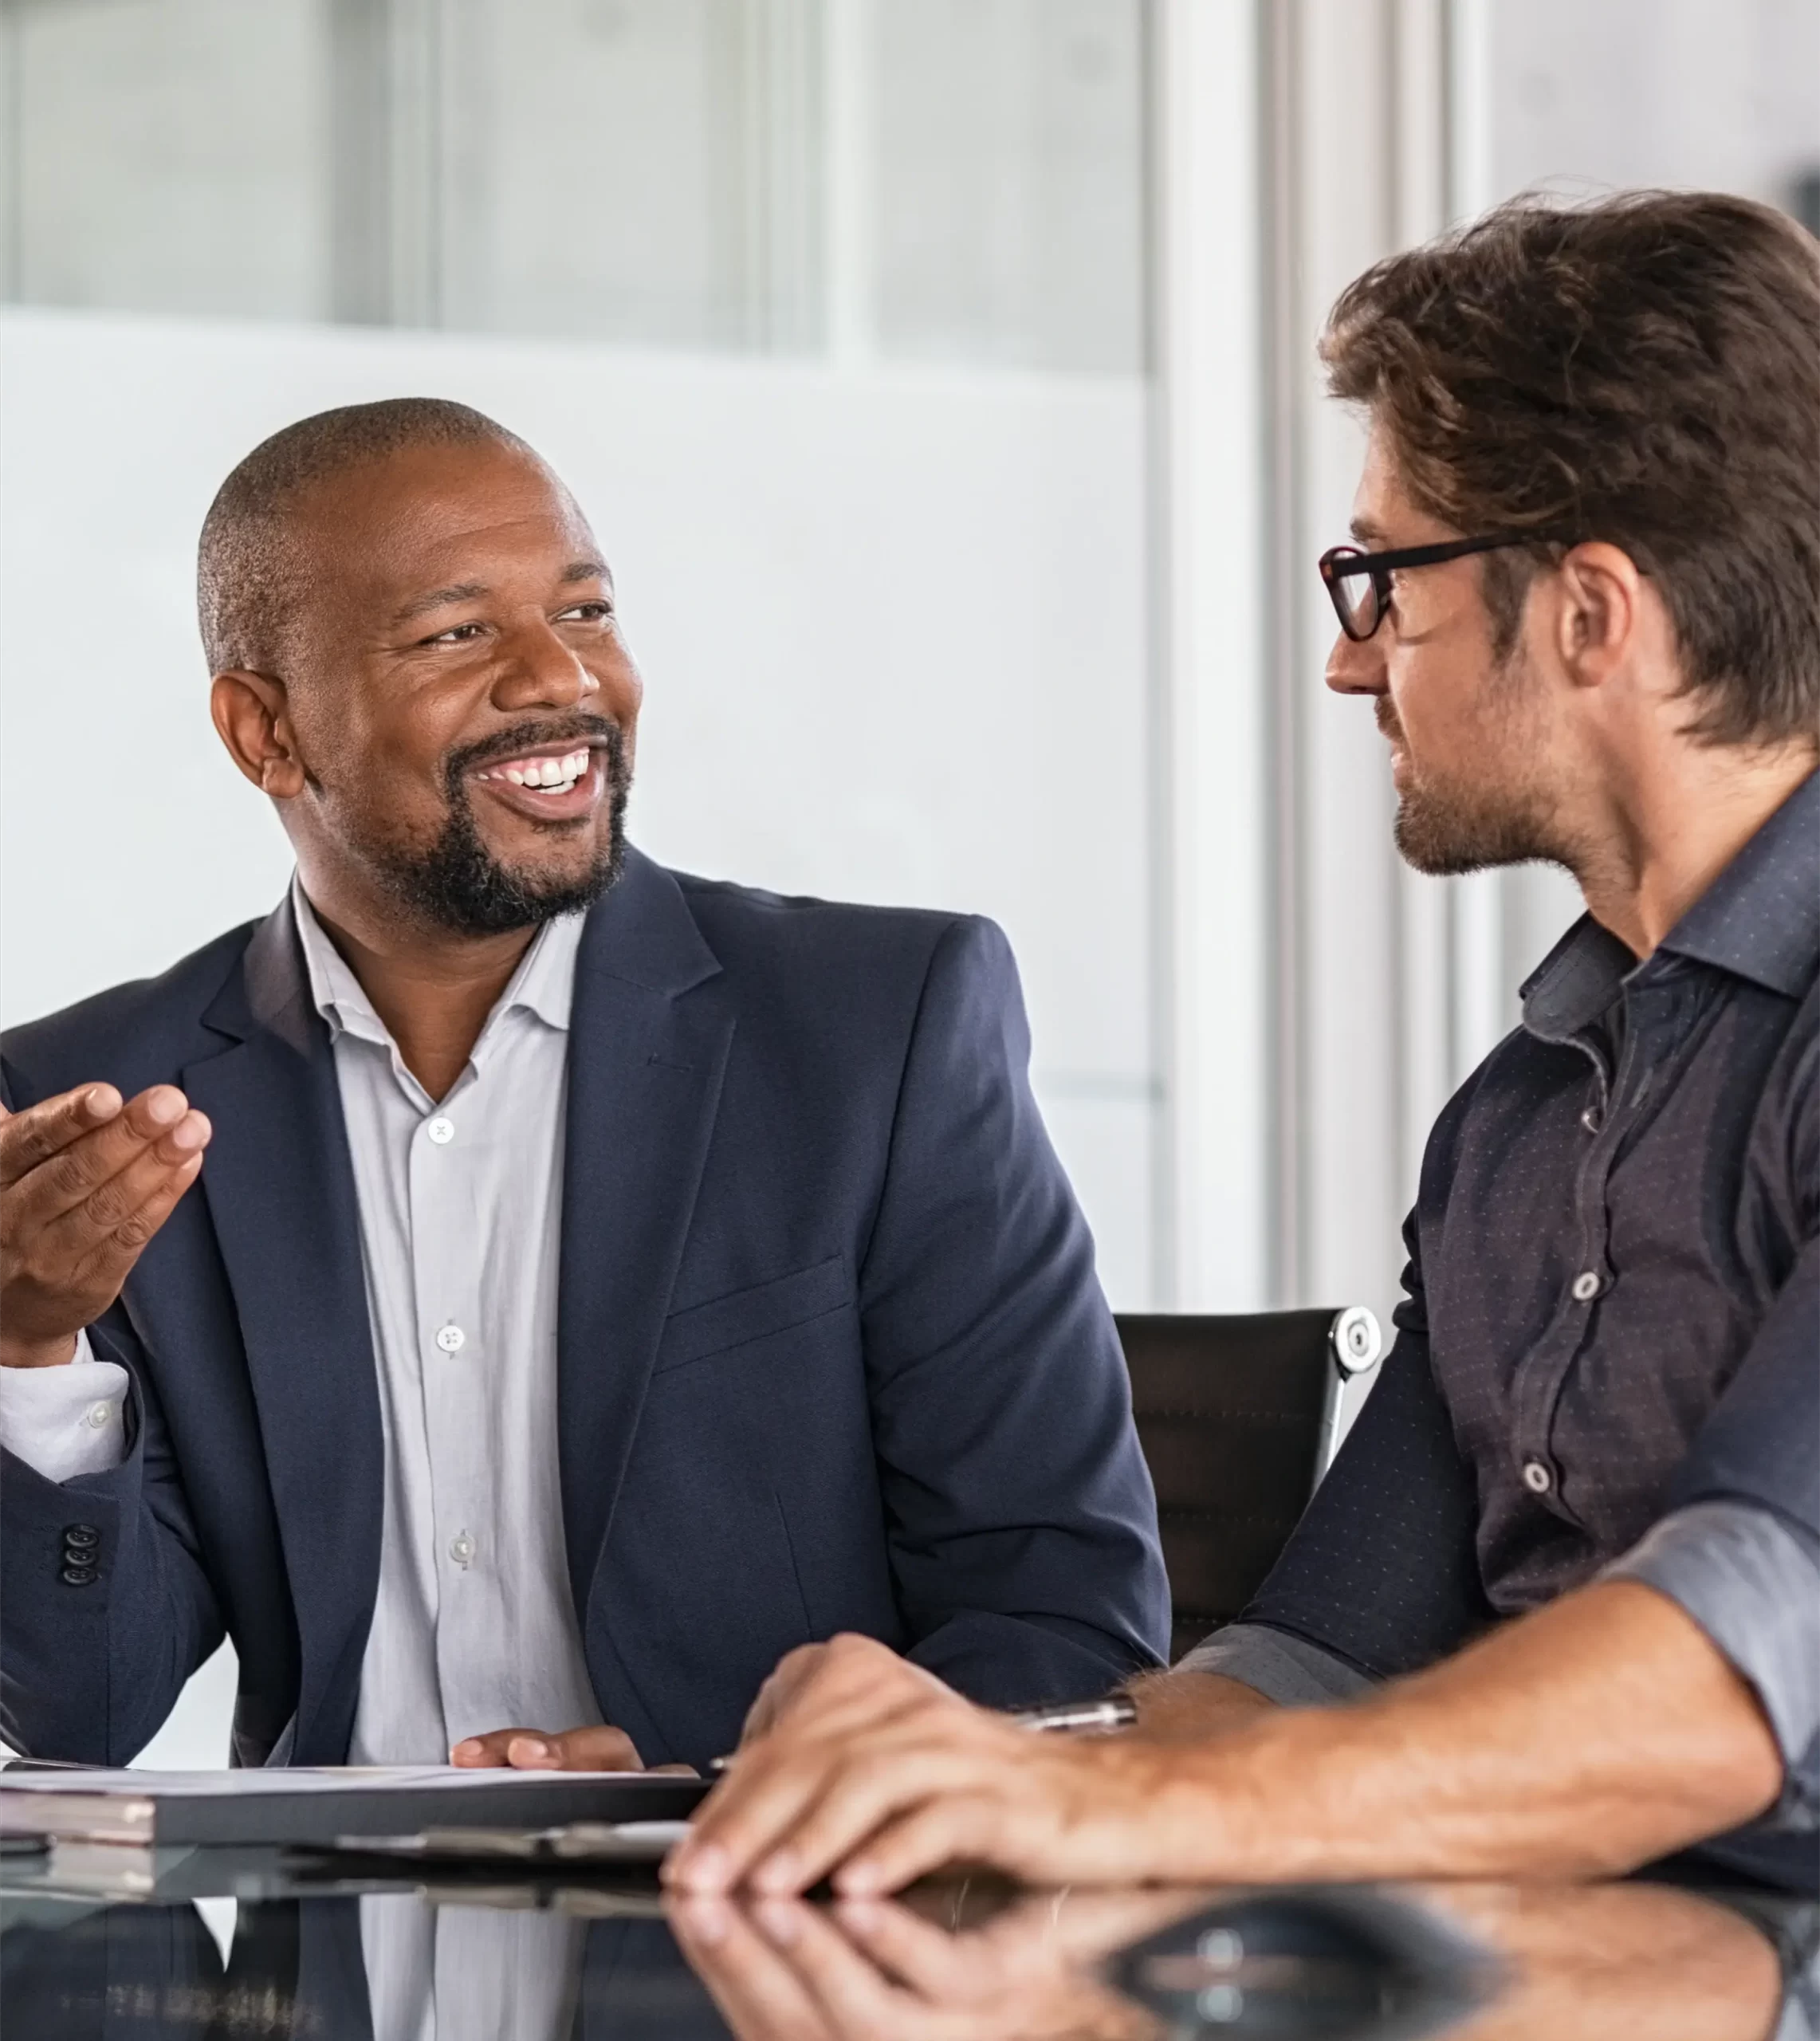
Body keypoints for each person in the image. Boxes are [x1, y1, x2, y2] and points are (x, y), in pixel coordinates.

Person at [665, 188, 1820, 1894]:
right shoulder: (1514, 1122)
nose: (1353, 665)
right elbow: (1309, 1660)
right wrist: (965, 1762)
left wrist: (1114, 1814)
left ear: (1588, 613)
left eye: (1383, 579)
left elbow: (1750, 1655)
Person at [0, 399, 1168, 1771]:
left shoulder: (876, 1034)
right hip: (330, 1959)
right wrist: (28, 1351)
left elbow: (1064, 1625)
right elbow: (86, 1713)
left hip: (761, 1935)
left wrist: (712, 1784)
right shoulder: (98, 1108)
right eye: (455, 633)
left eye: (587, 612)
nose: (560, 680)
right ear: (266, 735)